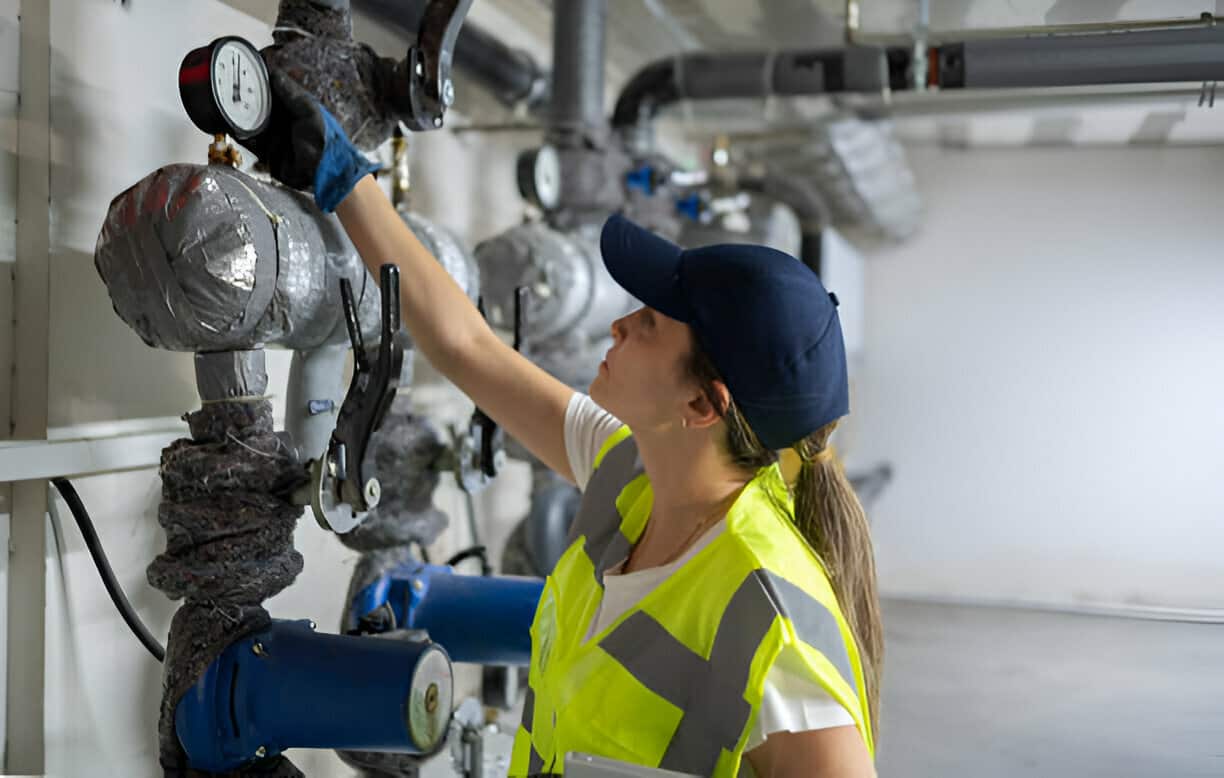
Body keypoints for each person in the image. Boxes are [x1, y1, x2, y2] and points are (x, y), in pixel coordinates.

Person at [252, 74, 882, 778]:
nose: (616, 325)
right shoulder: (632, 475)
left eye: (647, 324)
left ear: (704, 406)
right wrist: (342, 178)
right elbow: (468, 346)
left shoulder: (772, 626)